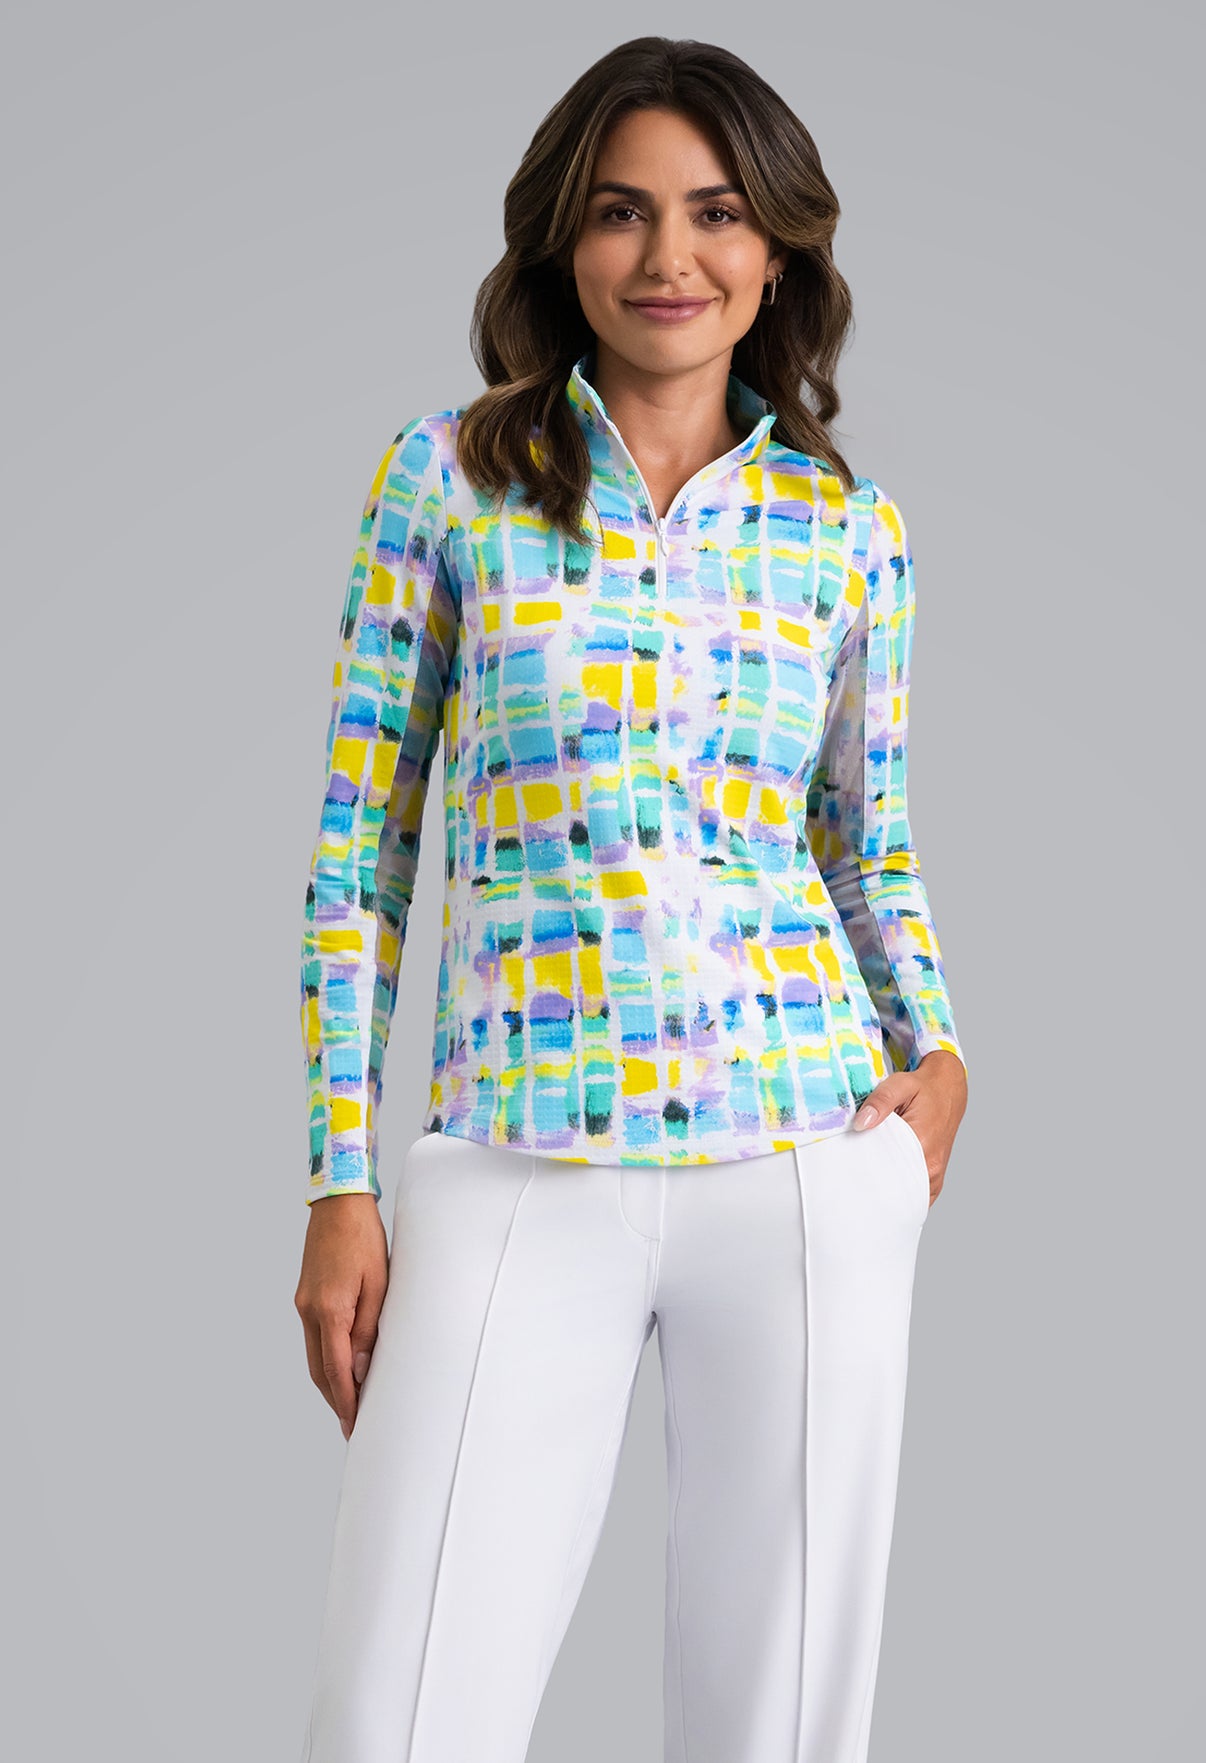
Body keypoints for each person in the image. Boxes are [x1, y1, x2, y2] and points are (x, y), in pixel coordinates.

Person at [293, 34, 968, 1763]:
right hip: (518, 1150)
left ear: (778, 251)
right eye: (620, 212)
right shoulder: (448, 478)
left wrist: (939, 1057)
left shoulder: (846, 528)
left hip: (804, 1155)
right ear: (561, 243)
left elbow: (862, 839)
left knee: (776, 1730)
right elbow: (361, 853)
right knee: (399, 1721)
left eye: (715, 212)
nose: (669, 256)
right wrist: (339, 1180)